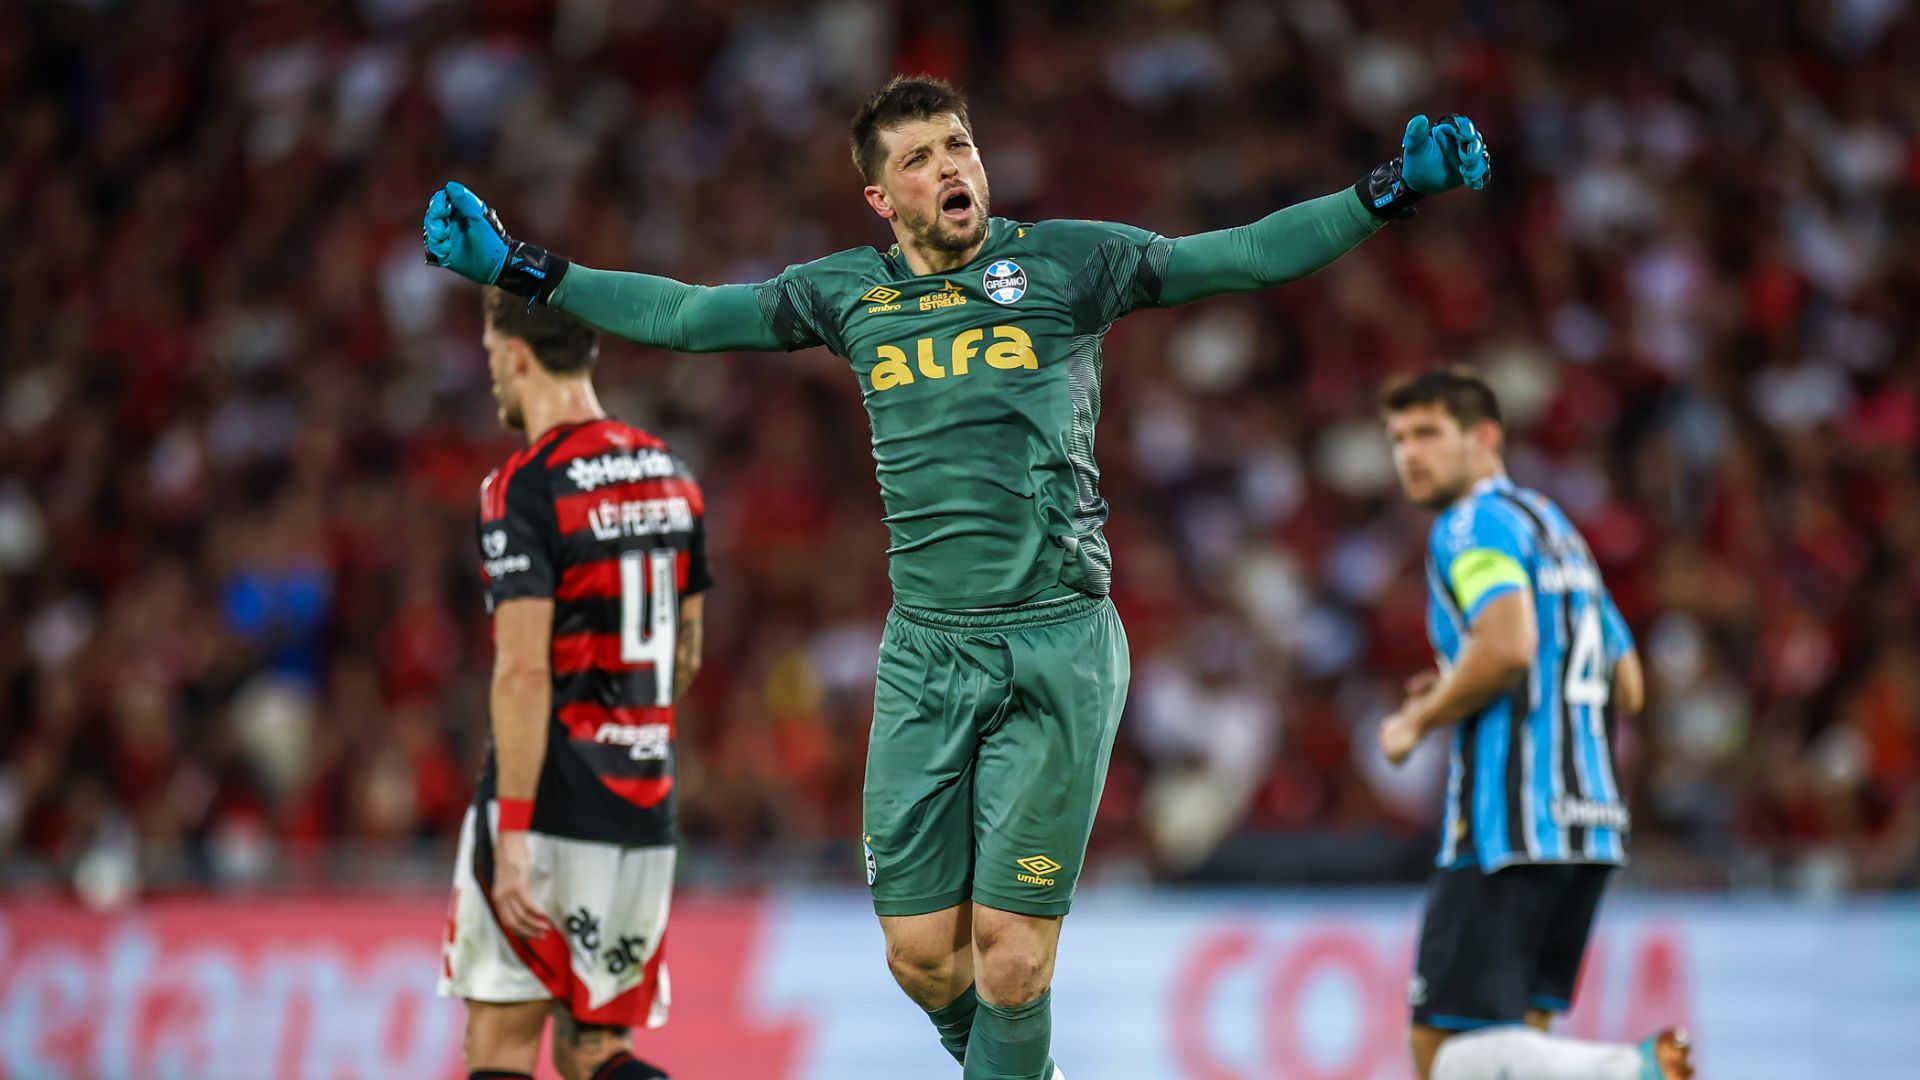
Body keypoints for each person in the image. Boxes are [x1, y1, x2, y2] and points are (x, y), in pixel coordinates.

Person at [423, 74, 1489, 1080]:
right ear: (882, 197)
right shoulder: (848, 294)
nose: (952, 166)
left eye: (961, 145)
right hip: (927, 652)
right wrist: (524, 267)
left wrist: (1387, 193)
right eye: (924, 155)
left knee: (1014, 959)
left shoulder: (1069, 265)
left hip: (1056, 641)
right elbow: (689, 317)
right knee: (925, 958)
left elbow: (1248, 254)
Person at [1375, 369, 1693, 1080]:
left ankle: (1629, 1069)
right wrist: (1465, 677)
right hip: (1589, 821)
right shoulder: (1555, 528)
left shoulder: (1468, 524)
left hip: (1507, 823)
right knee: (1520, 1047)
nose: (1409, 455)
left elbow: (1510, 646)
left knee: (1440, 1053)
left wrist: (1420, 717)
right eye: (1398, 439)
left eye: (1428, 433)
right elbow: (1629, 683)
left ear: (1485, 438)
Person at [437, 289, 711, 1080]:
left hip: (550, 801)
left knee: (499, 1046)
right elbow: (683, 657)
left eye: (492, 356)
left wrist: (514, 833)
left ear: (516, 355)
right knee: (597, 1049)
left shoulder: (522, 484)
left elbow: (523, 671)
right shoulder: (673, 475)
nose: (494, 378)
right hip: (644, 806)